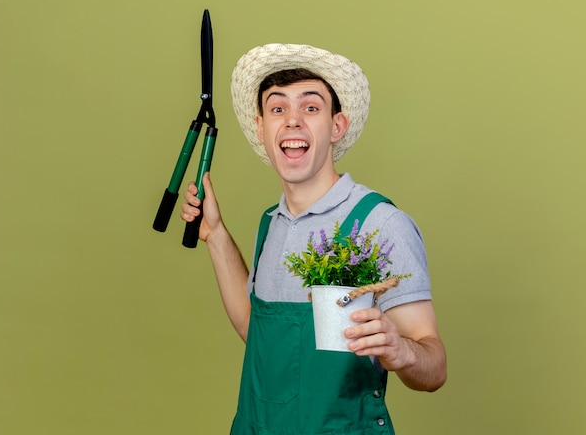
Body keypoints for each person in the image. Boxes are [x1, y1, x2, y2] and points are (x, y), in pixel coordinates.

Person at [181, 43, 446, 434]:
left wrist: (400, 350)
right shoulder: (271, 223)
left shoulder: (380, 223)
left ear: (336, 126)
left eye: (310, 107)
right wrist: (215, 234)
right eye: (277, 108)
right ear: (261, 127)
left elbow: (434, 366)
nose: (292, 121)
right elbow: (259, 335)